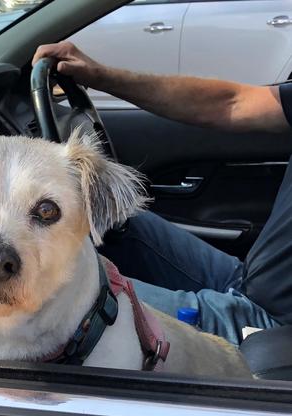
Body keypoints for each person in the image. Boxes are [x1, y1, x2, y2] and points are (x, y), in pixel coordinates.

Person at [33, 41, 292, 345]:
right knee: (123, 223)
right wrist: (99, 76)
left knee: (47, 292)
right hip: (251, 279)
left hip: (271, 326)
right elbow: (232, 102)